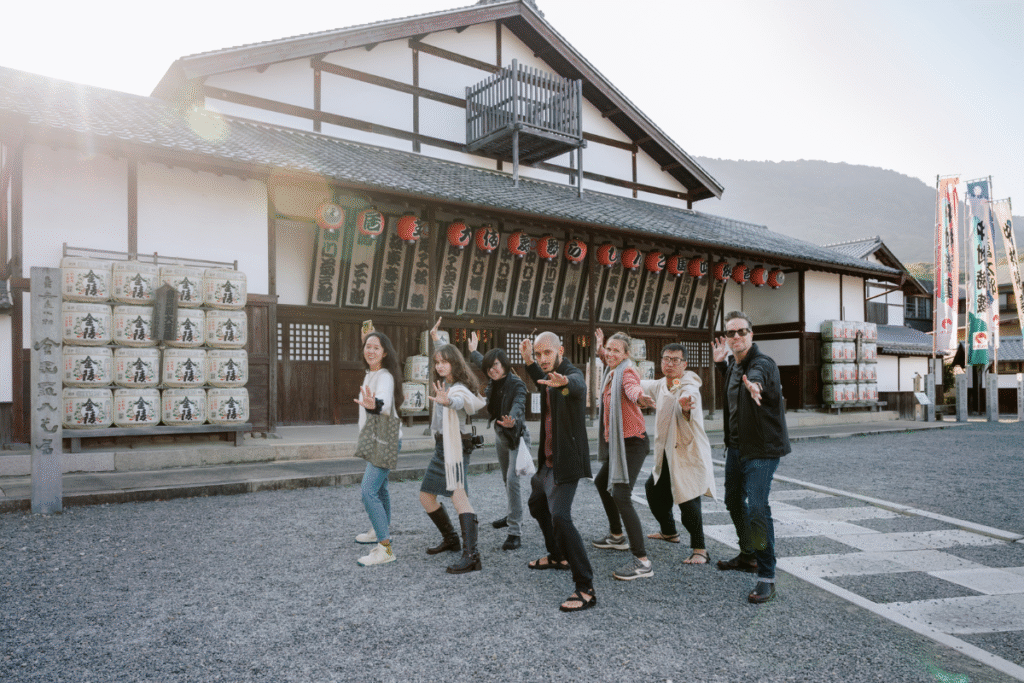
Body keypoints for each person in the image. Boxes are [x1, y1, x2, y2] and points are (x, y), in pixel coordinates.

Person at [713, 311, 791, 604]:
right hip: (737, 447)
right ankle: (748, 555)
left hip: (761, 449)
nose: (736, 337)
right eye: (731, 333)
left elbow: (756, 377)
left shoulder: (762, 364)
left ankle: (766, 575)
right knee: (733, 500)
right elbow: (737, 383)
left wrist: (754, 386)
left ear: (751, 334)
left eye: (741, 332)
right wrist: (722, 366)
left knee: (758, 506)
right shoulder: (734, 365)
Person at [521, 332, 596, 612]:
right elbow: (542, 378)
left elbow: (576, 385)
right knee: (537, 503)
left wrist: (565, 383)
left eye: (547, 354)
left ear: (560, 351)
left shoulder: (568, 375)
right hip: (548, 459)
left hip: (567, 460)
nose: (542, 360)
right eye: (538, 354)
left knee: (561, 517)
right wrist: (529, 361)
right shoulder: (547, 375)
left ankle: (585, 587)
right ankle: (556, 556)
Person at [637, 340, 716, 565]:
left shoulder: (686, 383)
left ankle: (700, 550)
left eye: (676, 360)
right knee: (652, 489)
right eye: (666, 359)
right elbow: (641, 383)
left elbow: (690, 393)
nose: (670, 364)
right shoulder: (662, 384)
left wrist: (685, 405)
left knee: (688, 499)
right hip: (666, 455)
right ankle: (669, 532)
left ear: (684, 364)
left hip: (686, 453)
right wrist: (617, 370)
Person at [420, 321, 487, 574]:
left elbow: (461, 402)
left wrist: (448, 401)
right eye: (436, 362)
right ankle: (451, 539)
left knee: (459, 498)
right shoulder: (449, 380)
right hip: (443, 449)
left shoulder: (458, 388)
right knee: (426, 495)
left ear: (455, 364)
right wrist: (437, 339)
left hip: (454, 450)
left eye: (444, 362)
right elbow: (445, 357)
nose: (439, 366)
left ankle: (472, 556)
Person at [589, 330, 654, 581]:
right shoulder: (610, 370)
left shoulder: (626, 372)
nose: (611, 354)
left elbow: (632, 388)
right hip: (620, 444)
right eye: (609, 349)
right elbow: (604, 357)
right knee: (601, 482)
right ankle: (617, 535)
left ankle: (643, 561)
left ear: (627, 354)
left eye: (617, 350)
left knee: (621, 495)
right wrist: (599, 348)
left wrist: (640, 397)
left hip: (633, 443)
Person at [468, 331, 529, 551]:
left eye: (496, 366)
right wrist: (473, 351)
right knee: (506, 479)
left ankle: (515, 531)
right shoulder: (492, 376)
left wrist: (513, 419)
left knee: (513, 480)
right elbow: (480, 362)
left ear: (504, 364)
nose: (493, 370)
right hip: (500, 434)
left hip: (516, 435)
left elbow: (519, 404)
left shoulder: (517, 384)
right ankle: (512, 514)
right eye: (489, 368)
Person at [353, 331, 404, 566]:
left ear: (385, 353)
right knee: (381, 489)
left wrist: (375, 404)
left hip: (386, 439)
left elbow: (383, 402)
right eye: (367, 346)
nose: (370, 351)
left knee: (368, 491)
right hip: (376, 438)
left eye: (376, 347)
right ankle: (378, 529)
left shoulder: (384, 376)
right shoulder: (371, 373)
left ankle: (385, 548)